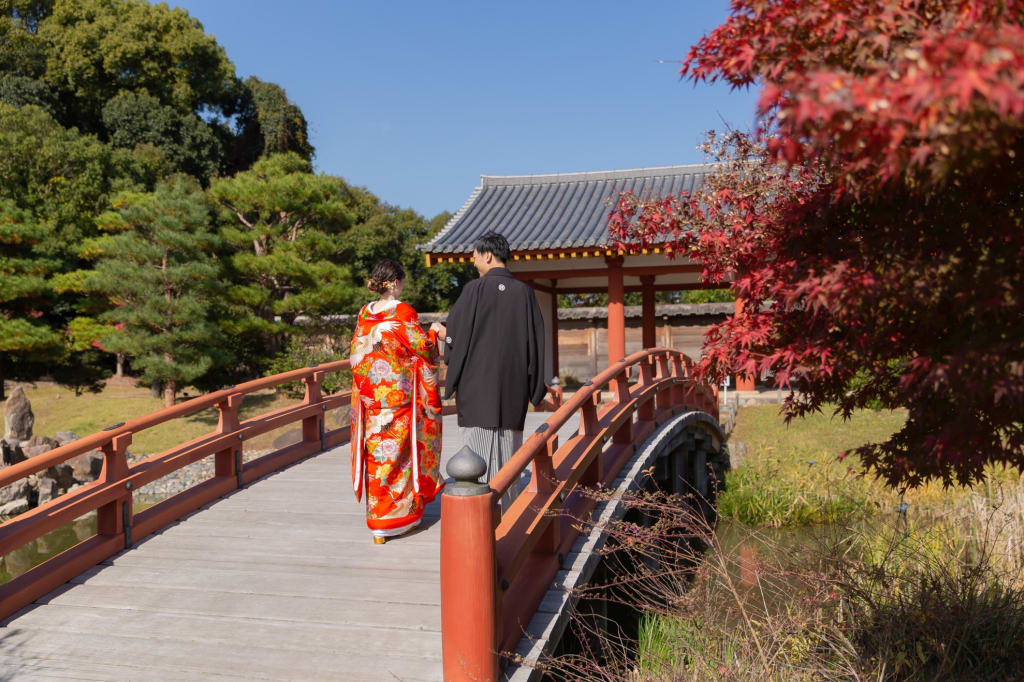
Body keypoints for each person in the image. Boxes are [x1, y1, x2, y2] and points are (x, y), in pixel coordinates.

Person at [431, 232, 546, 513]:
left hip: (476, 391)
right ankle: (507, 514)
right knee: (509, 456)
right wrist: (535, 389)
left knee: (473, 460)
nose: (473, 262)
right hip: (512, 390)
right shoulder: (525, 293)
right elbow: (536, 343)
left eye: (474, 256)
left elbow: (456, 340)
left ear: (487, 255)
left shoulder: (474, 291)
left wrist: (444, 334)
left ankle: (478, 517)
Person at [349, 258, 444, 544]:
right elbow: (422, 348)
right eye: (401, 281)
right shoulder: (402, 312)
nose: (403, 287)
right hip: (396, 398)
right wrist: (435, 331)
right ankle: (397, 520)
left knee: (377, 460)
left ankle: (377, 520)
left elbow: (358, 353)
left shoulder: (365, 313)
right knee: (398, 457)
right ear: (393, 283)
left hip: (370, 400)